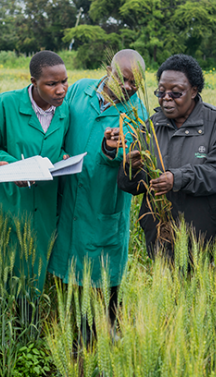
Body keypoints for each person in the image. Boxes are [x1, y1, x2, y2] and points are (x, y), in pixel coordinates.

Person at [48, 49, 146, 326]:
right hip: (68, 197)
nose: (127, 88)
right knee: (67, 276)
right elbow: (59, 123)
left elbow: (129, 154)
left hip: (102, 205)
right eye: (122, 79)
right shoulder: (80, 90)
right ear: (108, 70)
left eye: (134, 83)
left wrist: (110, 148)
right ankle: (73, 335)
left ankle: (105, 338)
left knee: (103, 282)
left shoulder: (137, 114)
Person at [119, 54, 216, 258]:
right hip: (158, 236)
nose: (166, 98)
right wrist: (130, 168)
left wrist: (177, 179)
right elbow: (132, 186)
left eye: (176, 93)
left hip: (203, 238)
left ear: (194, 91)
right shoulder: (149, 126)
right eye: (161, 91)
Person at [0, 51, 69, 308]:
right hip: (8, 202)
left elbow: (60, 146)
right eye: (51, 84)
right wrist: (15, 165)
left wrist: (63, 156)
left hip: (43, 206)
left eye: (64, 82)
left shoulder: (65, 112)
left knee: (33, 270)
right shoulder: (4, 105)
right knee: (1, 268)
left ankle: (27, 332)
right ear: (33, 82)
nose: (60, 90)